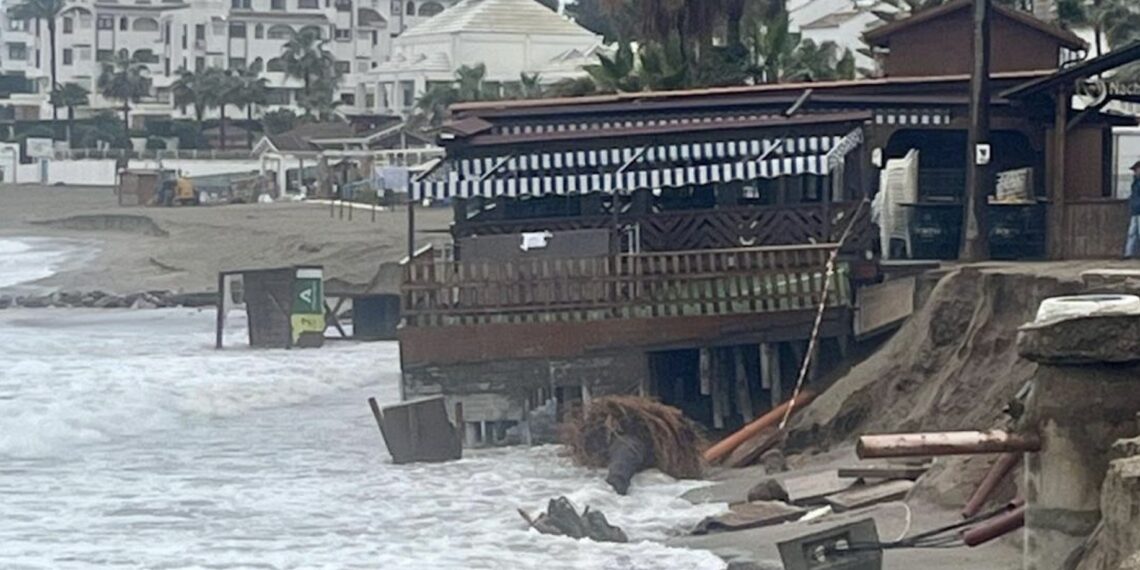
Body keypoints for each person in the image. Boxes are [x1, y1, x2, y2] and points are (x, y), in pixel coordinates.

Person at [1128, 160, 1140, 258]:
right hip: (1135, 210)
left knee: (1134, 233)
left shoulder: (1136, 183)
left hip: (1137, 209)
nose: (1135, 172)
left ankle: (1130, 253)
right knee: (1132, 233)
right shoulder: (1135, 182)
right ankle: (1129, 253)